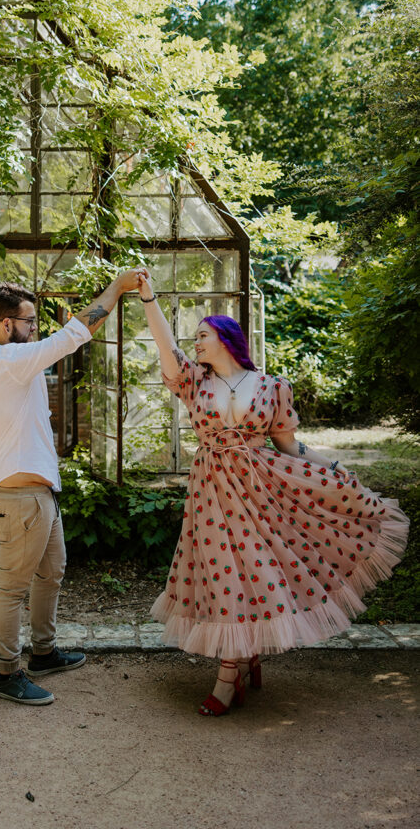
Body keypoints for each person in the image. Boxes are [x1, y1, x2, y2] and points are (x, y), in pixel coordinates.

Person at [136, 269, 409, 715]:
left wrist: (335, 470)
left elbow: (288, 445)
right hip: (212, 495)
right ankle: (232, 674)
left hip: (263, 492)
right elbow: (167, 349)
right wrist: (148, 298)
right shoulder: (194, 383)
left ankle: (239, 668)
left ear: (226, 338)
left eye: (203, 336)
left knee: (258, 576)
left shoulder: (270, 386)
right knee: (226, 578)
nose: (196, 343)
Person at [0, 269, 144, 705]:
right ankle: (6, 673)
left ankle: (44, 653)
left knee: (52, 572)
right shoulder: (5, 361)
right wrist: (119, 287)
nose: (35, 328)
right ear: (7, 324)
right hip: (18, 497)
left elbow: (69, 336)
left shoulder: (14, 366)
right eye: (29, 321)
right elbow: (73, 334)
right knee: (12, 586)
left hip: (38, 493)